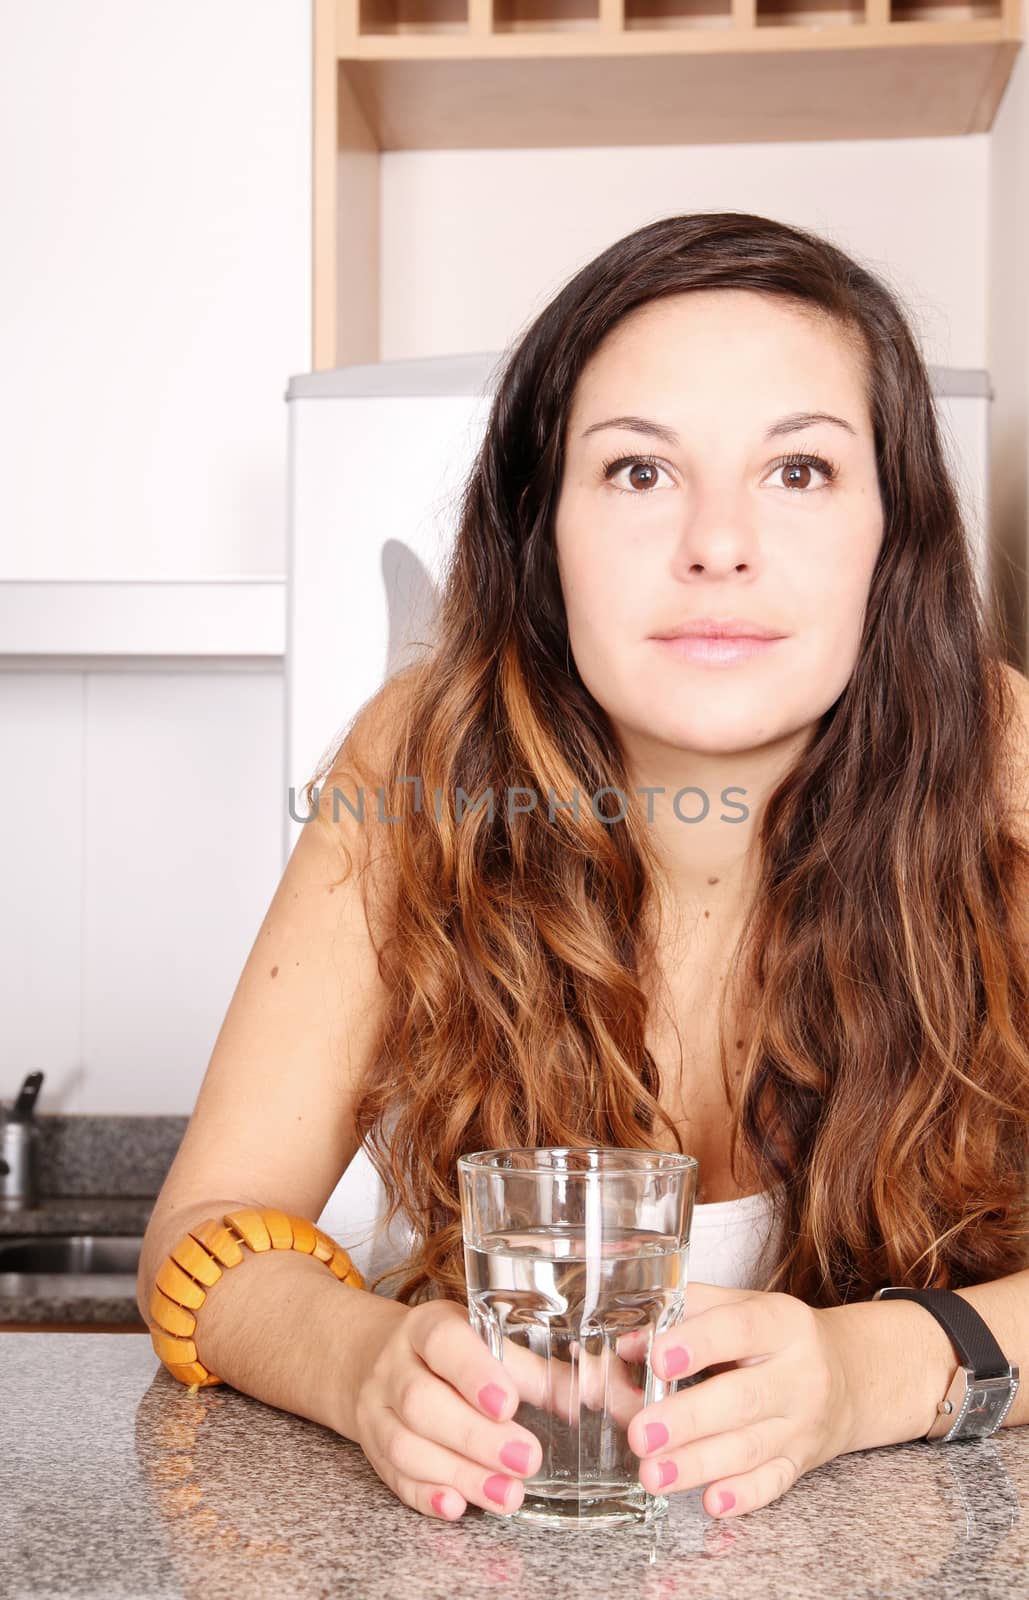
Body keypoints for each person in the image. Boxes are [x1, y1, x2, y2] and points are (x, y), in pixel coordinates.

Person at [137, 211, 1029, 1527]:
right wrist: (361, 1363)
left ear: (888, 538)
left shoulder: (1002, 772)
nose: (715, 544)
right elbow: (202, 1229)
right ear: (540, 533)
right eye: (635, 473)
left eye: (797, 472)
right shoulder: (420, 762)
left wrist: (869, 1371)